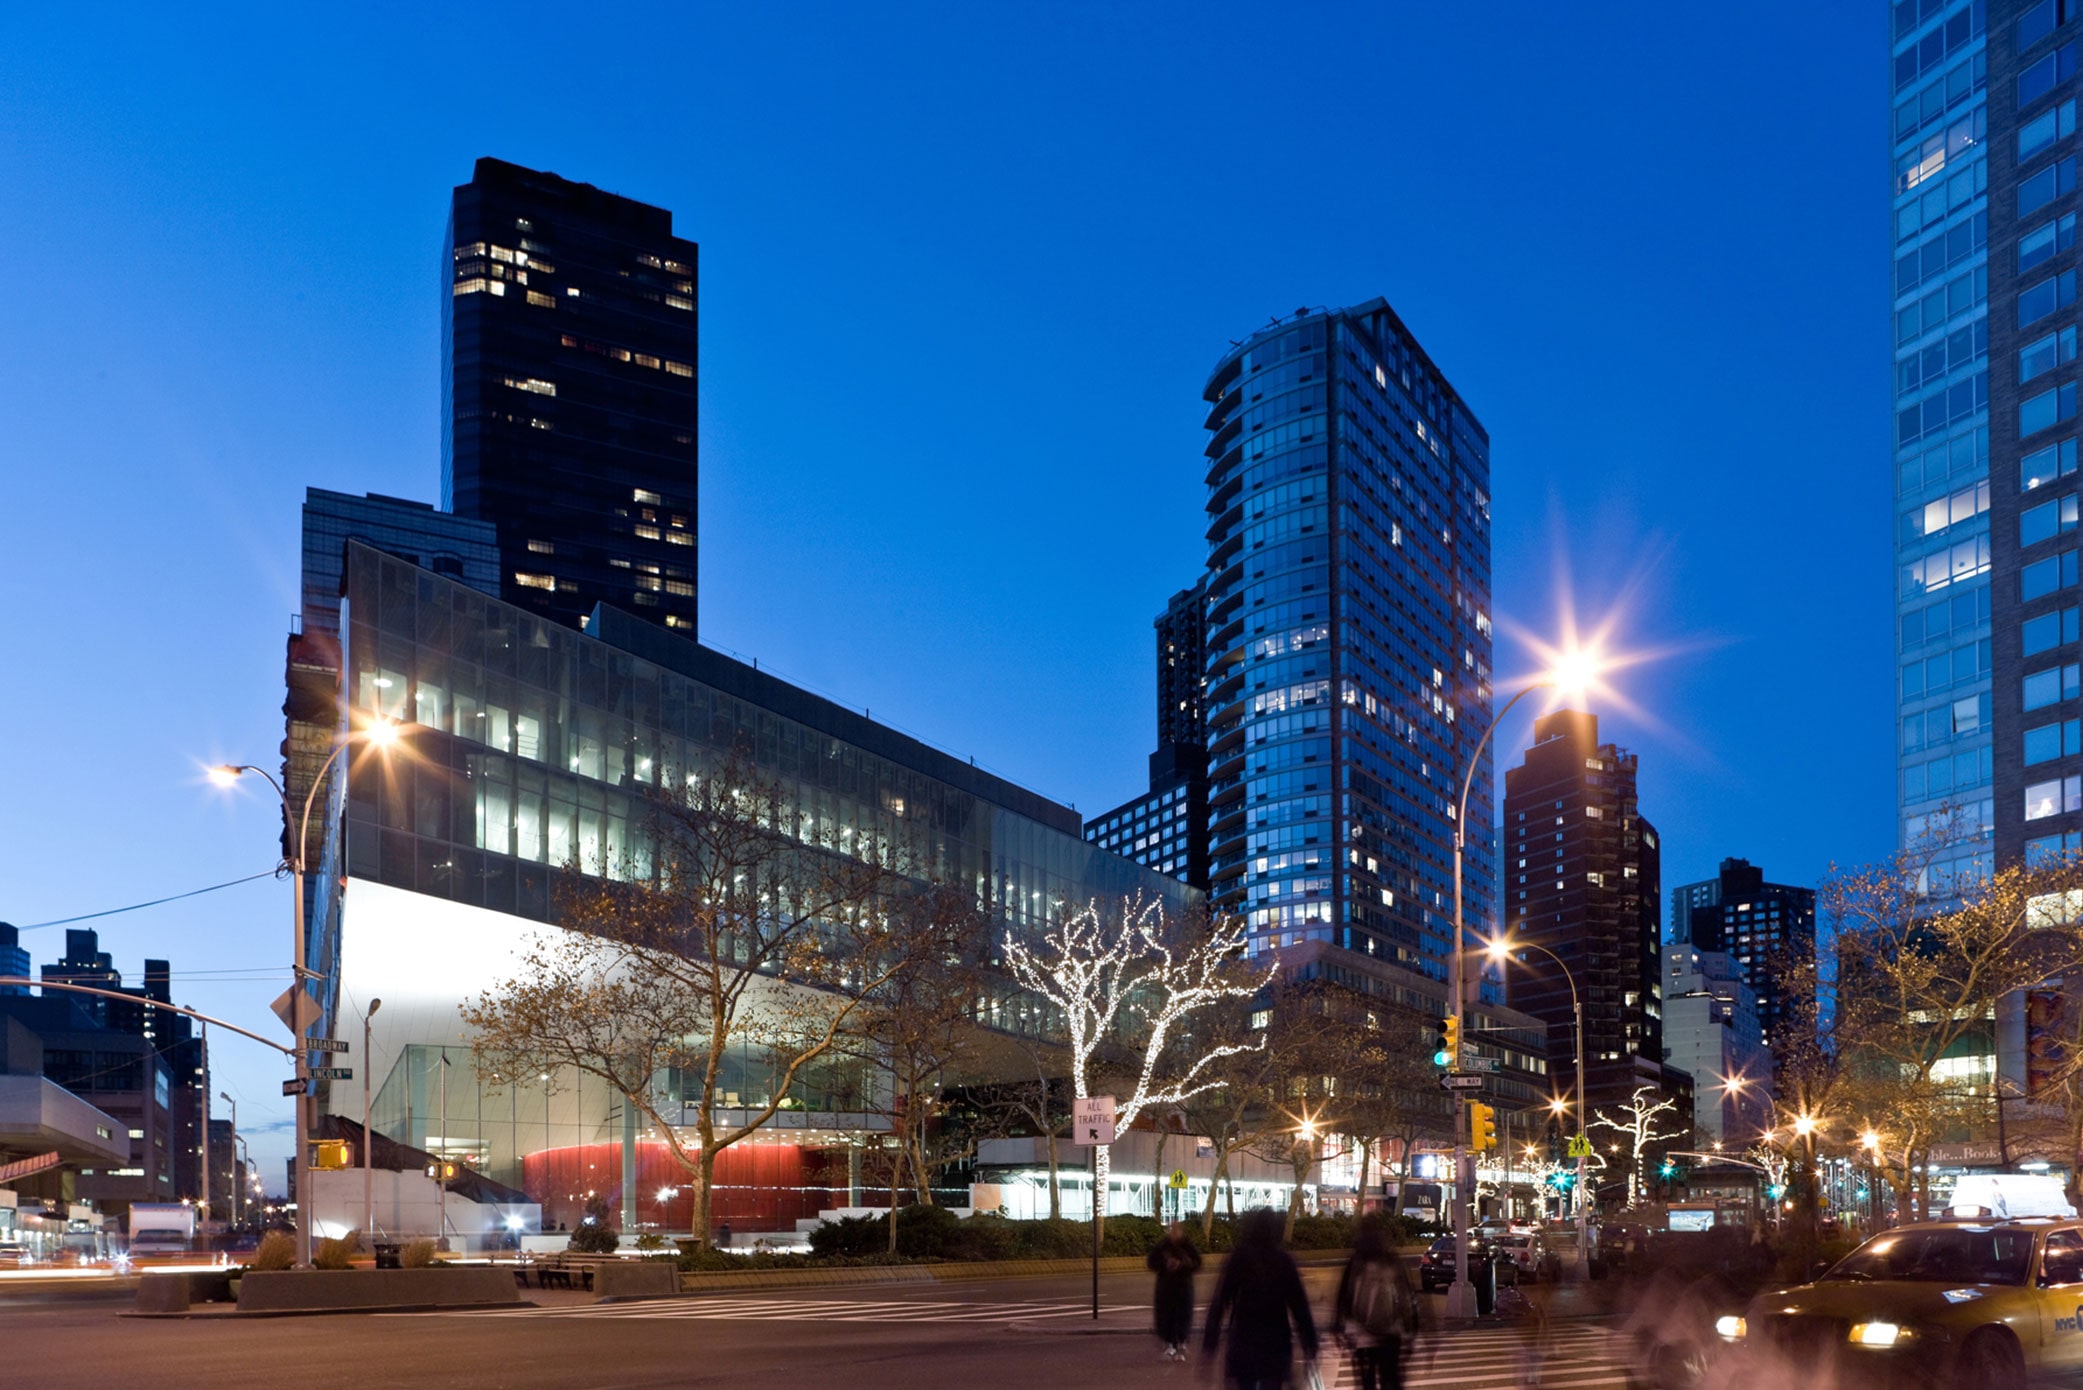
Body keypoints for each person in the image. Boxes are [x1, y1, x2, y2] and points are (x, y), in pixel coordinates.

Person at [1202, 1208, 1319, 1389]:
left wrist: (1210, 1343)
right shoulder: (1284, 1261)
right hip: (1275, 1344)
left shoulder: (1238, 1259)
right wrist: (1309, 1344)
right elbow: (1300, 1307)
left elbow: (1220, 1302)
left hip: (1244, 1342)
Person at [1333, 1218, 1420, 1390]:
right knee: (1391, 1378)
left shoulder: (1356, 1260)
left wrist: (1338, 1327)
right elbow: (1407, 1296)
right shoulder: (1391, 1259)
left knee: (1367, 1382)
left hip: (1362, 1334)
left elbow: (1343, 1296)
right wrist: (1412, 1330)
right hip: (1390, 1332)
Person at [1149, 1221, 1203, 1360]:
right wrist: (1165, 1264)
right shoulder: (1162, 1246)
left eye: (1177, 1230)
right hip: (1166, 1288)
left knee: (1183, 1315)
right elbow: (1151, 1262)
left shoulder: (1187, 1246)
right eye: (1172, 1230)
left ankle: (1181, 1342)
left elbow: (1197, 1263)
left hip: (1183, 1287)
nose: (1174, 1233)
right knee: (1167, 1316)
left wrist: (1183, 1264)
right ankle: (1170, 1343)